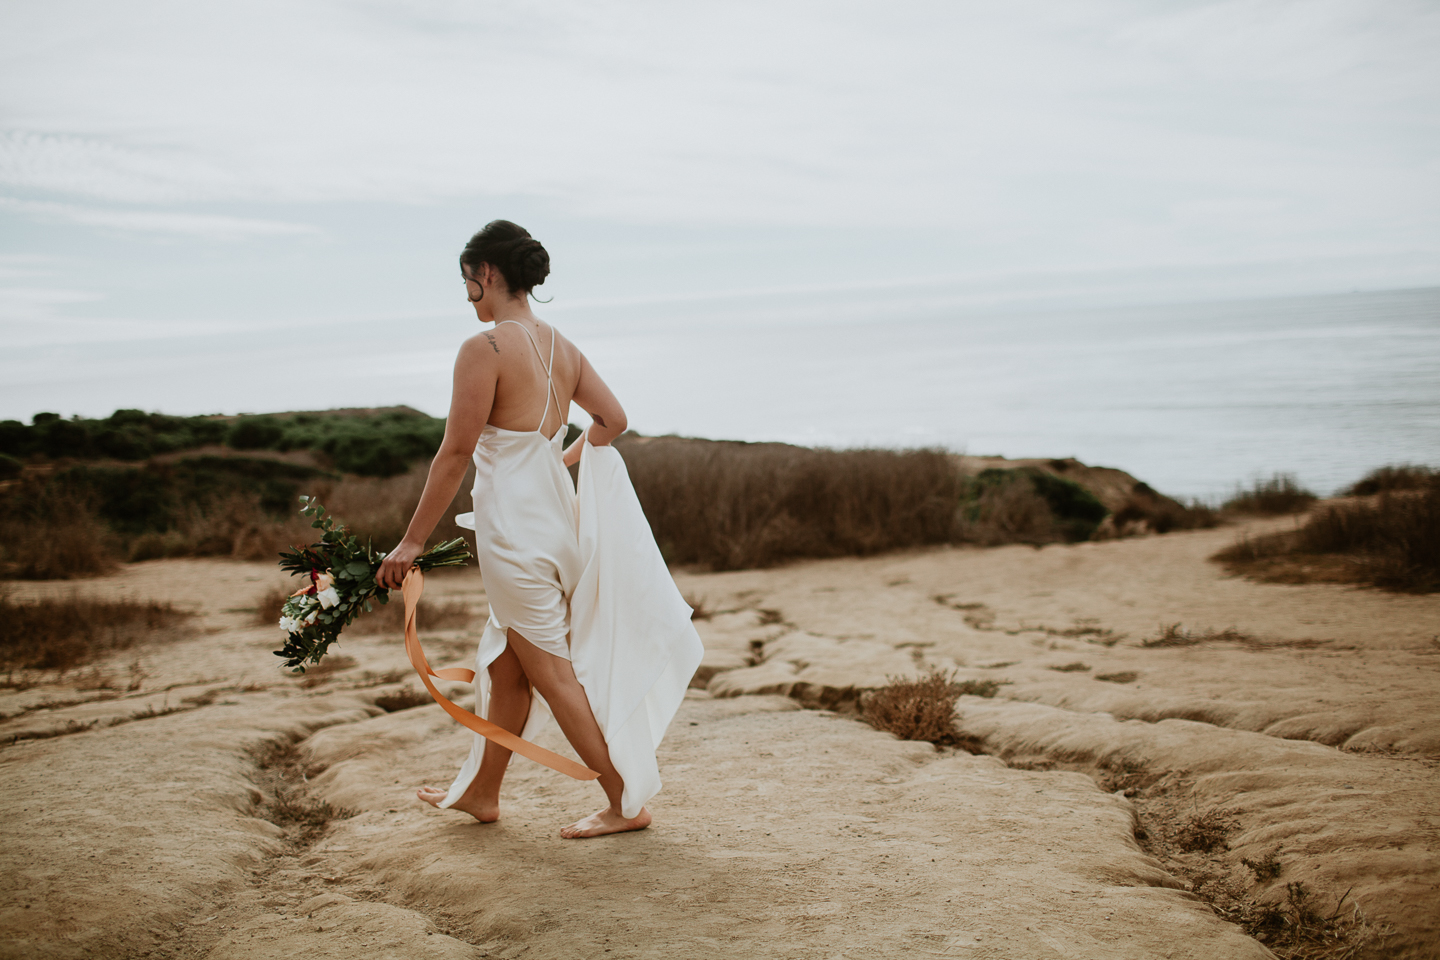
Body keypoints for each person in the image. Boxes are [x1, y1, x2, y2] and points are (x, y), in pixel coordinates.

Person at [375, 220, 700, 839]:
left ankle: (625, 803)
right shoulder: (562, 346)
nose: (467, 293)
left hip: (514, 535)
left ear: (487, 274)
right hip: (556, 524)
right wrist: (556, 459)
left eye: (467, 281)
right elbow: (613, 420)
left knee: (551, 673)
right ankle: (482, 793)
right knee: (508, 668)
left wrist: (412, 540)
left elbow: (455, 451)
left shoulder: (487, 349)